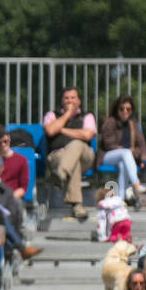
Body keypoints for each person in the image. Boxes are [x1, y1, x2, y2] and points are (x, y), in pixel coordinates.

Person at [43, 87, 97, 220]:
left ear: (79, 100)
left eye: (73, 98)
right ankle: (77, 206)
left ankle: (60, 174)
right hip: (58, 155)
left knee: (76, 144)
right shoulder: (52, 115)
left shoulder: (87, 116)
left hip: (85, 156)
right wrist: (67, 114)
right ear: (62, 100)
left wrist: (61, 129)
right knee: (74, 162)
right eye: (67, 98)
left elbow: (87, 135)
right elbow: (50, 131)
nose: (70, 101)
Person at [96, 94, 146, 204]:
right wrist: (124, 149)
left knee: (124, 164)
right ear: (117, 109)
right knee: (126, 153)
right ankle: (136, 183)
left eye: (128, 109)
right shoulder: (110, 121)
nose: (125, 112)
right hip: (107, 155)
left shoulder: (133, 124)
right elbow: (108, 144)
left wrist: (142, 159)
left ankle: (121, 198)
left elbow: (141, 143)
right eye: (122, 109)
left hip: (125, 157)